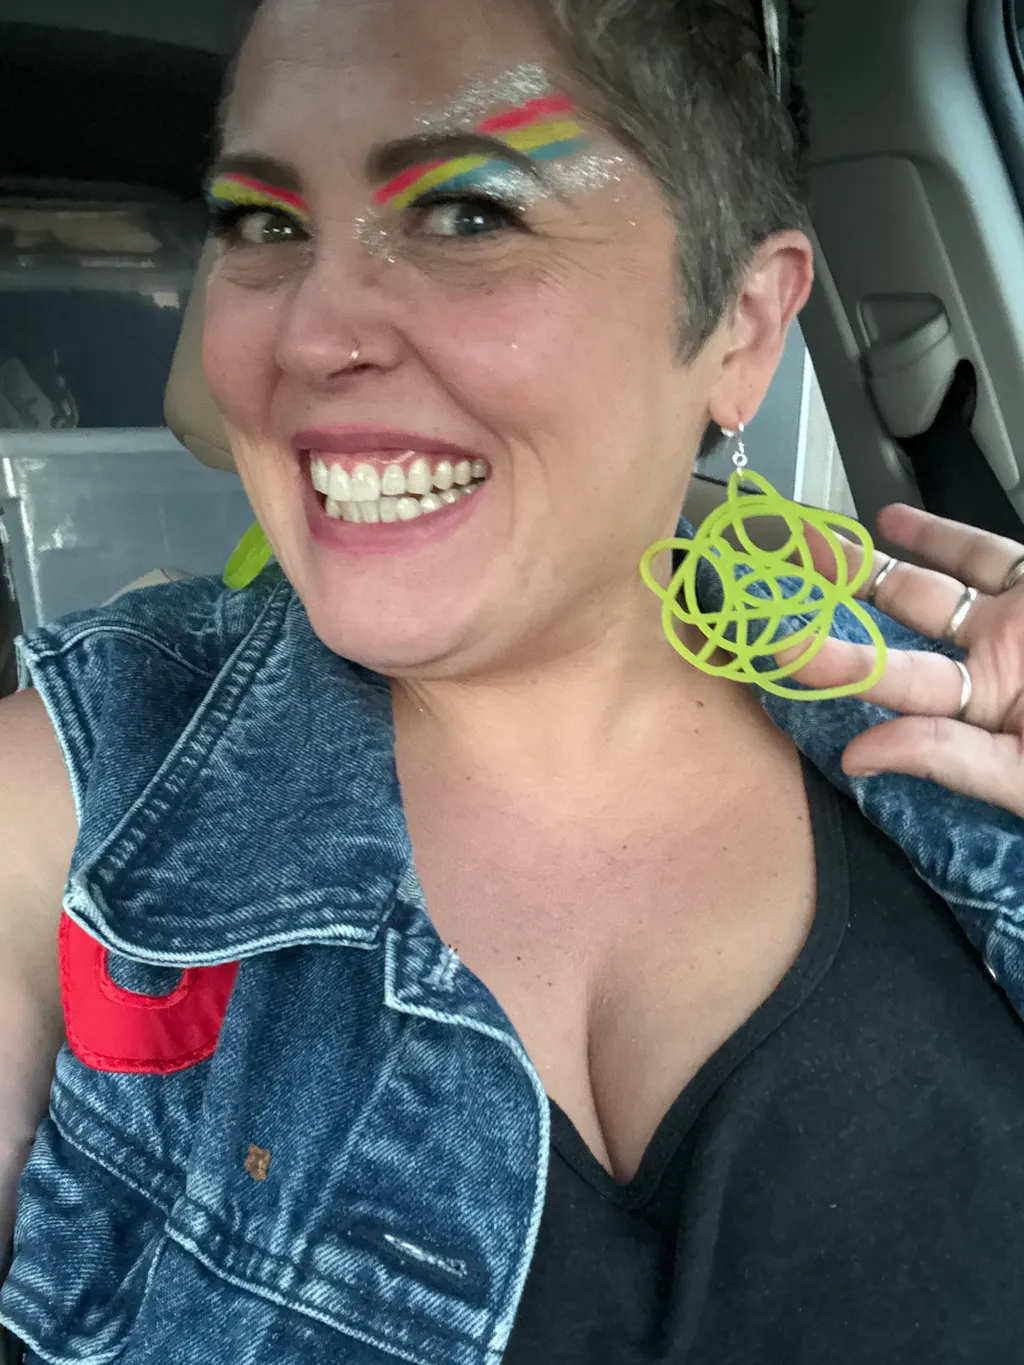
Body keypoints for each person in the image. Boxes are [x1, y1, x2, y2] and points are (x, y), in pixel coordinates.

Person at [3, 0, 1024, 1360]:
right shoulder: (71, 795)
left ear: (739, 326)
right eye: (264, 224)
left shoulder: (978, 742)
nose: (309, 333)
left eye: (468, 213)